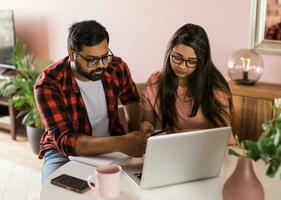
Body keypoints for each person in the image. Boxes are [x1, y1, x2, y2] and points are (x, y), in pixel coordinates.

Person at [34, 20, 147, 184]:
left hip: (114, 142)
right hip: (63, 154)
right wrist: (122, 143)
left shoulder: (116, 67)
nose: (101, 65)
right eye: (92, 60)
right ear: (72, 53)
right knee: (57, 192)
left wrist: (134, 134)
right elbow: (66, 141)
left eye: (105, 57)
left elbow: (130, 99)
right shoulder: (49, 83)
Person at [139, 23, 234, 143]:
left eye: (191, 61)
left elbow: (224, 135)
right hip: (175, 150)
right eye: (177, 57)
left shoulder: (215, 87)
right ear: (169, 53)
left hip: (210, 151)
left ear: (201, 61)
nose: (182, 66)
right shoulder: (155, 83)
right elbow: (147, 122)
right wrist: (146, 126)